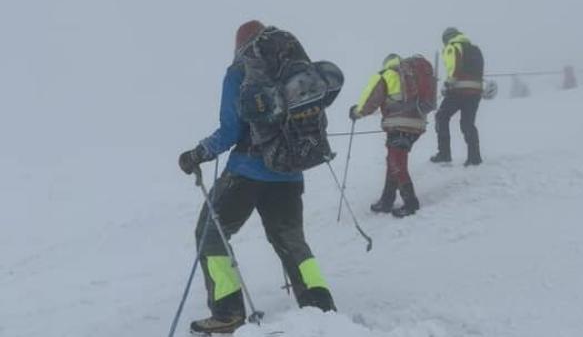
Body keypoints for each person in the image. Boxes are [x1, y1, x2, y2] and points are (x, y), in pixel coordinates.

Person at [178, 20, 335, 335]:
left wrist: (197, 154)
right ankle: (321, 305)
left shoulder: (239, 72)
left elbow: (230, 131)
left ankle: (227, 312)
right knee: (290, 238)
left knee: (211, 234)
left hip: (248, 173)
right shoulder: (296, 74)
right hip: (290, 172)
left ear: (241, 46)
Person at [349, 54, 428, 218]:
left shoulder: (387, 74)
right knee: (394, 160)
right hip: (417, 125)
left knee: (396, 162)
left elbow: (371, 100)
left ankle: (411, 203)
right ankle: (386, 200)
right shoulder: (412, 74)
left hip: (399, 123)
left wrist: (357, 112)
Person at [431, 27, 484, 166]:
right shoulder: (475, 49)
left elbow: (454, 67)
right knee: (468, 123)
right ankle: (474, 157)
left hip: (458, 91)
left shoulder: (453, 47)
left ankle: (444, 154)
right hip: (475, 92)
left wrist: (448, 84)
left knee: (441, 117)